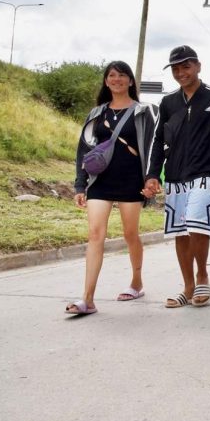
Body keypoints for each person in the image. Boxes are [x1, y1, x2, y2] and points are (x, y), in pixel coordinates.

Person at [144, 45, 210, 310]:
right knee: (180, 232)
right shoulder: (168, 102)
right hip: (175, 175)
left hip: (206, 173)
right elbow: (158, 140)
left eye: (186, 66)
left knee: (196, 224)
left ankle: (203, 276)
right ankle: (188, 286)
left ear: (198, 66)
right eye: (176, 68)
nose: (181, 72)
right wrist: (152, 174)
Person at [66, 61, 157, 315]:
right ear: (106, 81)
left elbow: (152, 146)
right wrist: (80, 184)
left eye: (122, 75)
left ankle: (137, 282)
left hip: (131, 180)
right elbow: (84, 149)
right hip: (100, 181)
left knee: (130, 234)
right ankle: (88, 299)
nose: (117, 79)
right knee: (95, 234)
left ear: (131, 81)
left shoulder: (143, 112)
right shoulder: (96, 114)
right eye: (112, 75)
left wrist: (151, 178)